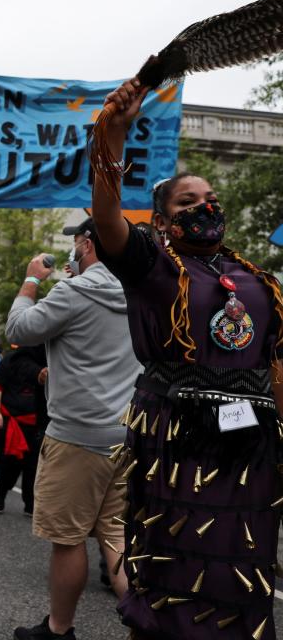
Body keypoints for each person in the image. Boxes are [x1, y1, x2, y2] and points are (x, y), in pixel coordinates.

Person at [90, 79, 283, 640]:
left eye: (211, 200)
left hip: (251, 448)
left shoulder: (257, 280)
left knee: (239, 568)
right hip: (177, 440)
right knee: (173, 565)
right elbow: (106, 217)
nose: (205, 207)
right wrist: (113, 136)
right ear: (160, 217)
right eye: (187, 201)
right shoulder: (151, 263)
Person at [7, 217, 141, 640]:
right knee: (116, 538)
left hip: (77, 436)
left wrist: (31, 282)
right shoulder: (142, 291)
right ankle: (149, 626)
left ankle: (59, 629)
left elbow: (18, 329)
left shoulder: (74, 291)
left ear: (87, 244)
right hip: (125, 434)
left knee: (67, 540)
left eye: (78, 242)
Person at [0, 344, 46, 516]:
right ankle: (1, 494)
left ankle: (29, 503)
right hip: (12, 421)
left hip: (35, 421)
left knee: (32, 466)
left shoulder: (44, 361)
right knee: (10, 463)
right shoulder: (11, 360)